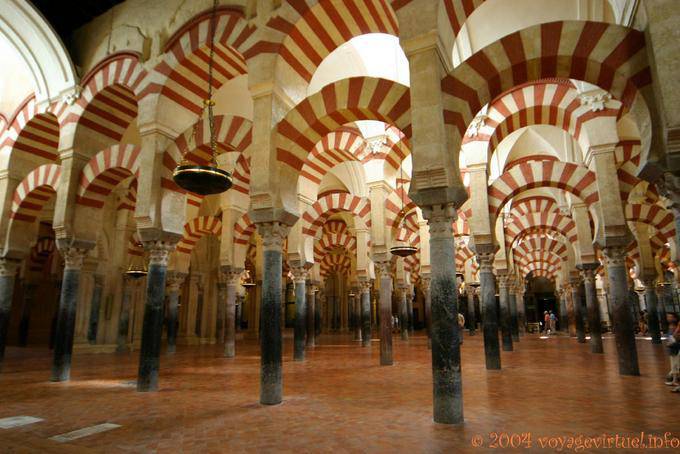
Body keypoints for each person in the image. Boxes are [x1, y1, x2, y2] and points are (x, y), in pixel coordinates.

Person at [665, 312, 680, 392]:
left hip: (675, 347)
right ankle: (674, 380)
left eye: (670, 317)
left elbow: (675, 336)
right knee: (675, 364)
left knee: (676, 365)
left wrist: (672, 341)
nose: (668, 318)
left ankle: (674, 380)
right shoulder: (673, 326)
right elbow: (673, 335)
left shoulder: (676, 325)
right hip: (674, 347)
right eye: (668, 317)